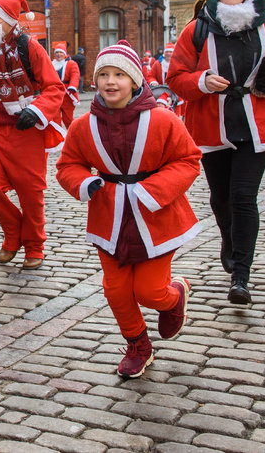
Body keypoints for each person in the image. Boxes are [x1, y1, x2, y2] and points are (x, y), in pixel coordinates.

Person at [56, 40, 201, 379]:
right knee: (117, 290)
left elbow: (188, 160)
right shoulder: (83, 126)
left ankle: (174, 296)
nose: (110, 82)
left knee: (149, 291)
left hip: (156, 216)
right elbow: (68, 165)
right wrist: (84, 183)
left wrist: (154, 190)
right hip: (109, 217)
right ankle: (138, 345)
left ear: (135, 80)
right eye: (103, 74)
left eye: (119, 74)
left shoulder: (163, 119)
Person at [167, 0, 265, 305]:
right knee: (221, 197)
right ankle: (228, 240)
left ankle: (241, 275)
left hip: (257, 125)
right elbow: (175, 78)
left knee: (243, 197)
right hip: (211, 125)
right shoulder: (197, 29)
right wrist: (203, 81)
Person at [0, 0, 66, 269]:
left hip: (26, 125)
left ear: (10, 20)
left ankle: (34, 245)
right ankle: (13, 231)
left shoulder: (30, 47)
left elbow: (54, 87)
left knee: (30, 190)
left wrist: (36, 110)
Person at [147, 43, 185, 117]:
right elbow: (151, 76)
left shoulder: (179, 64)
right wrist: (153, 82)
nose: (168, 54)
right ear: (164, 53)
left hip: (175, 92)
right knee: (161, 112)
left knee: (176, 113)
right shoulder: (158, 64)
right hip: (161, 92)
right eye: (167, 52)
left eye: (170, 52)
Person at [52, 41, 81, 128]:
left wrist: (72, 86)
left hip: (67, 94)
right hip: (54, 93)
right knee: (55, 118)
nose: (59, 54)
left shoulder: (71, 64)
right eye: (57, 52)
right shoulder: (51, 64)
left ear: (65, 53)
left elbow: (75, 75)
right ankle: (58, 135)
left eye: (61, 52)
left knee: (68, 118)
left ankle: (73, 133)